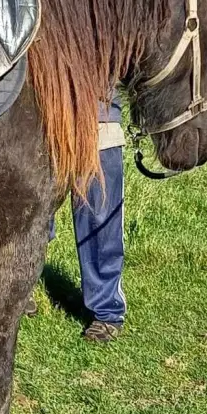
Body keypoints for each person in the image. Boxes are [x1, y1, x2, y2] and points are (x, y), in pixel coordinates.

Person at [46, 92, 127, 342]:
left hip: (98, 119)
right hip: (42, 118)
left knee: (99, 220)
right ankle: (20, 287)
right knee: (31, 216)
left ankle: (106, 312)